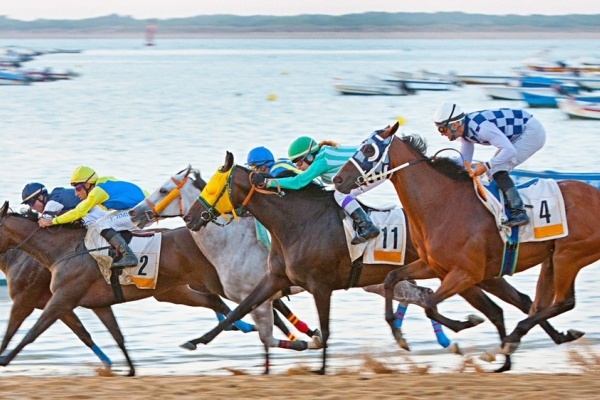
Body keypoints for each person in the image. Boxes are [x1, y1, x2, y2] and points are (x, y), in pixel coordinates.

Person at [433, 103, 546, 227]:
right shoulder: (464, 134)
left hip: (532, 132)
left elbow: (510, 151)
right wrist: (438, 164)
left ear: (455, 124)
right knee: (491, 172)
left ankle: (519, 213)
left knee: (497, 169)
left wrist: (486, 165)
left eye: (442, 129)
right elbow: (465, 161)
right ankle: (503, 207)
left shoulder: (481, 128)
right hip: (517, 133)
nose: (441, 134)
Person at [252, 137, 381, 245]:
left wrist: (268, 183)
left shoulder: (322, 161)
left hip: (375, 169)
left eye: (300, 163)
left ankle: (367, 226)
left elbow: (298, 182)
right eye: (296, 164)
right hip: (368, 166)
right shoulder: (323, 153)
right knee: (335, 193)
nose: (299, 167)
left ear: (309, 156)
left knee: (340, 194)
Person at [38, 166, 147, 269]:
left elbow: (78, 212)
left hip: (142, 209)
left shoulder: (97, 191)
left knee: (101, 224)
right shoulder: (103, 182)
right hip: (143, 206)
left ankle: (129, 256)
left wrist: (52, 221)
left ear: (87, 184)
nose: (76, 193)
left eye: (78, 188)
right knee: (101, 222)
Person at [21, 182, 107, 225]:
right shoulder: (56, 194)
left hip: (98, 216)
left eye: (31, 203)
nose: (31, 208)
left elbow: (43, 222)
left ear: (40, 197)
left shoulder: (51, 204)